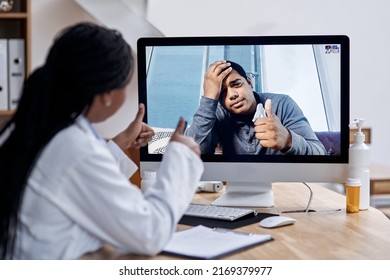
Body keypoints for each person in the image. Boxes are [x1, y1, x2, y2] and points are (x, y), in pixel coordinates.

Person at [0, 22, 203, 259]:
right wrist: (180, 156)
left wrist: (120, 143)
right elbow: (150, 233)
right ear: (107, 95)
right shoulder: (74, 148)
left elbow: (73, 181)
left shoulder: (30, 129)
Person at [185, 60, 326, 155]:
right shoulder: (215, 113)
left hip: (282, 186)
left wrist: (288, 140)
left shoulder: (282, 103)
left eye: (236, 84)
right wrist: (209, 98)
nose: (232, 95)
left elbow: (320, 152)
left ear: (249, 82)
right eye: (222, 92)